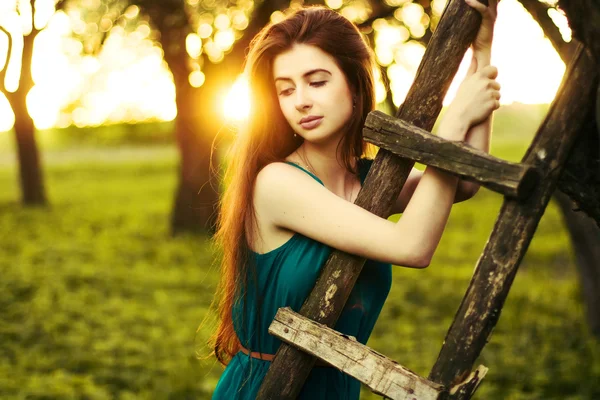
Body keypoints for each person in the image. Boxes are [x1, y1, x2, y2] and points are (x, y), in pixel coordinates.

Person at [209, 1, 499, 398]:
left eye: (317, 81)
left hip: (337, 388)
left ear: (353, 83)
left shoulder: (369, 181)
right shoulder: (277, 183)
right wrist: (449, 128)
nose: (301, 101)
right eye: (286, 89)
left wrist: (481, 53)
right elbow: (412, 246)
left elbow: (463, 182)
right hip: (271, 389)